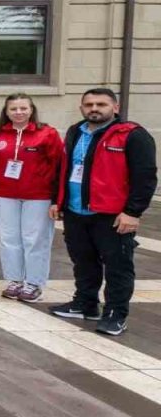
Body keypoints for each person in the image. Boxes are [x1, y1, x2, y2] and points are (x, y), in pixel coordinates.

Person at [51, 88, 157, 336]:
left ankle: (115, 314)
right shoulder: (75, 132)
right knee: (83, 262)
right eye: (89, 104)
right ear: (81, 108)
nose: (94, 109)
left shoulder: (133, 135)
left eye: (101, 104)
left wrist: (133, 212)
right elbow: (66, 169)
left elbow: (145, 177)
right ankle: (86, 303)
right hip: (77, 212)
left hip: (112, 215)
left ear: (115, 108)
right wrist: (59, 201)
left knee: (117, 267)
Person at [0, 93, 63, 303]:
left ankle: (34, 282)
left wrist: (57, 199)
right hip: (6, 195)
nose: (18, 113)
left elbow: (58, 166)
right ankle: (14, 280)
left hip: (38, 196)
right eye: (13, 109)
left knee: (34, 240)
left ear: (31, 110)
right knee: (8, 239)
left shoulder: (47, 134)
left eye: (23, 108)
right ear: (6, 111)